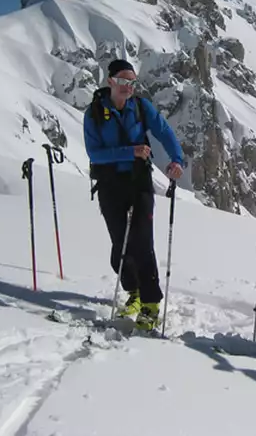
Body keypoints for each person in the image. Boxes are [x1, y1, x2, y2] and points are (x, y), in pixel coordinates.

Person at [83, 59, 185, 331]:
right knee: (120, 247)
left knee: (142, 242)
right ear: (111, 82)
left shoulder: (140, 107)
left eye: (132, 82)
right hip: (109, 184)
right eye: (124, 81)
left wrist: (177, 159)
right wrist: (131, 151)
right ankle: (134, 292)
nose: (129, 87)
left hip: (139, 181)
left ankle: (151, 304)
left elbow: (163, 131)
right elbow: (94, 153)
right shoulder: (94, 112)